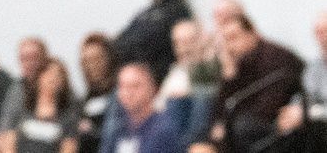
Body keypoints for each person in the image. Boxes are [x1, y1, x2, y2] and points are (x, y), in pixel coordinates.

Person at [194, 16, 306, 153]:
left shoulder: (275, 58)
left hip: (281, 126)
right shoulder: (239, 63)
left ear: (252, 33)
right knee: (200, 136)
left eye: (233, 37)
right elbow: (221, 109)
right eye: (225, 41)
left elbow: (267, 108)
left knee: (241, 127)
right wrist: (229, 76)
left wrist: (225, 125)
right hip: (246, 125)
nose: (229, 46)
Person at [113, 0, 195, 85]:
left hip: (155, 82)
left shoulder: (179, 12)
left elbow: (146, 45)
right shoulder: (144, 13)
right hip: (128, 77)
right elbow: (119, 41)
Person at [0, 58, 82, 153]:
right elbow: (9, 145)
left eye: (58, 75)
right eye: (49, 73)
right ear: (39, 77)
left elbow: (69, 147)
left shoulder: (68, 119)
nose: (53, 78)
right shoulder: (23, 112)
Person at [161, 20, 221, 146]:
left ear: (201, 40)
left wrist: (189, 93)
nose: (184, 48)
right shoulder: (174, 73)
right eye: (178, 43)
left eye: (189, 41)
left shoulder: (213, 65)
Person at [103, 63, 183, 153]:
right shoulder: (117, 129)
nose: (128, 93)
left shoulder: (163, 129)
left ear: (152, 89)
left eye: (135, 86)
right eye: (123, 87)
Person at [0, 39, 55, 141]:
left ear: (44, 59)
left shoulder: (57, 86)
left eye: (33, 58)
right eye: (24, 59)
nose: (29, 63)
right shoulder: (16, 89)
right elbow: (5, 125)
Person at [79, 34, 119, 153]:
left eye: (97, 59)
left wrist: (92, 133)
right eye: (86, 61)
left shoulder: (122, 94)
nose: (92, 66)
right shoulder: (84, 100)